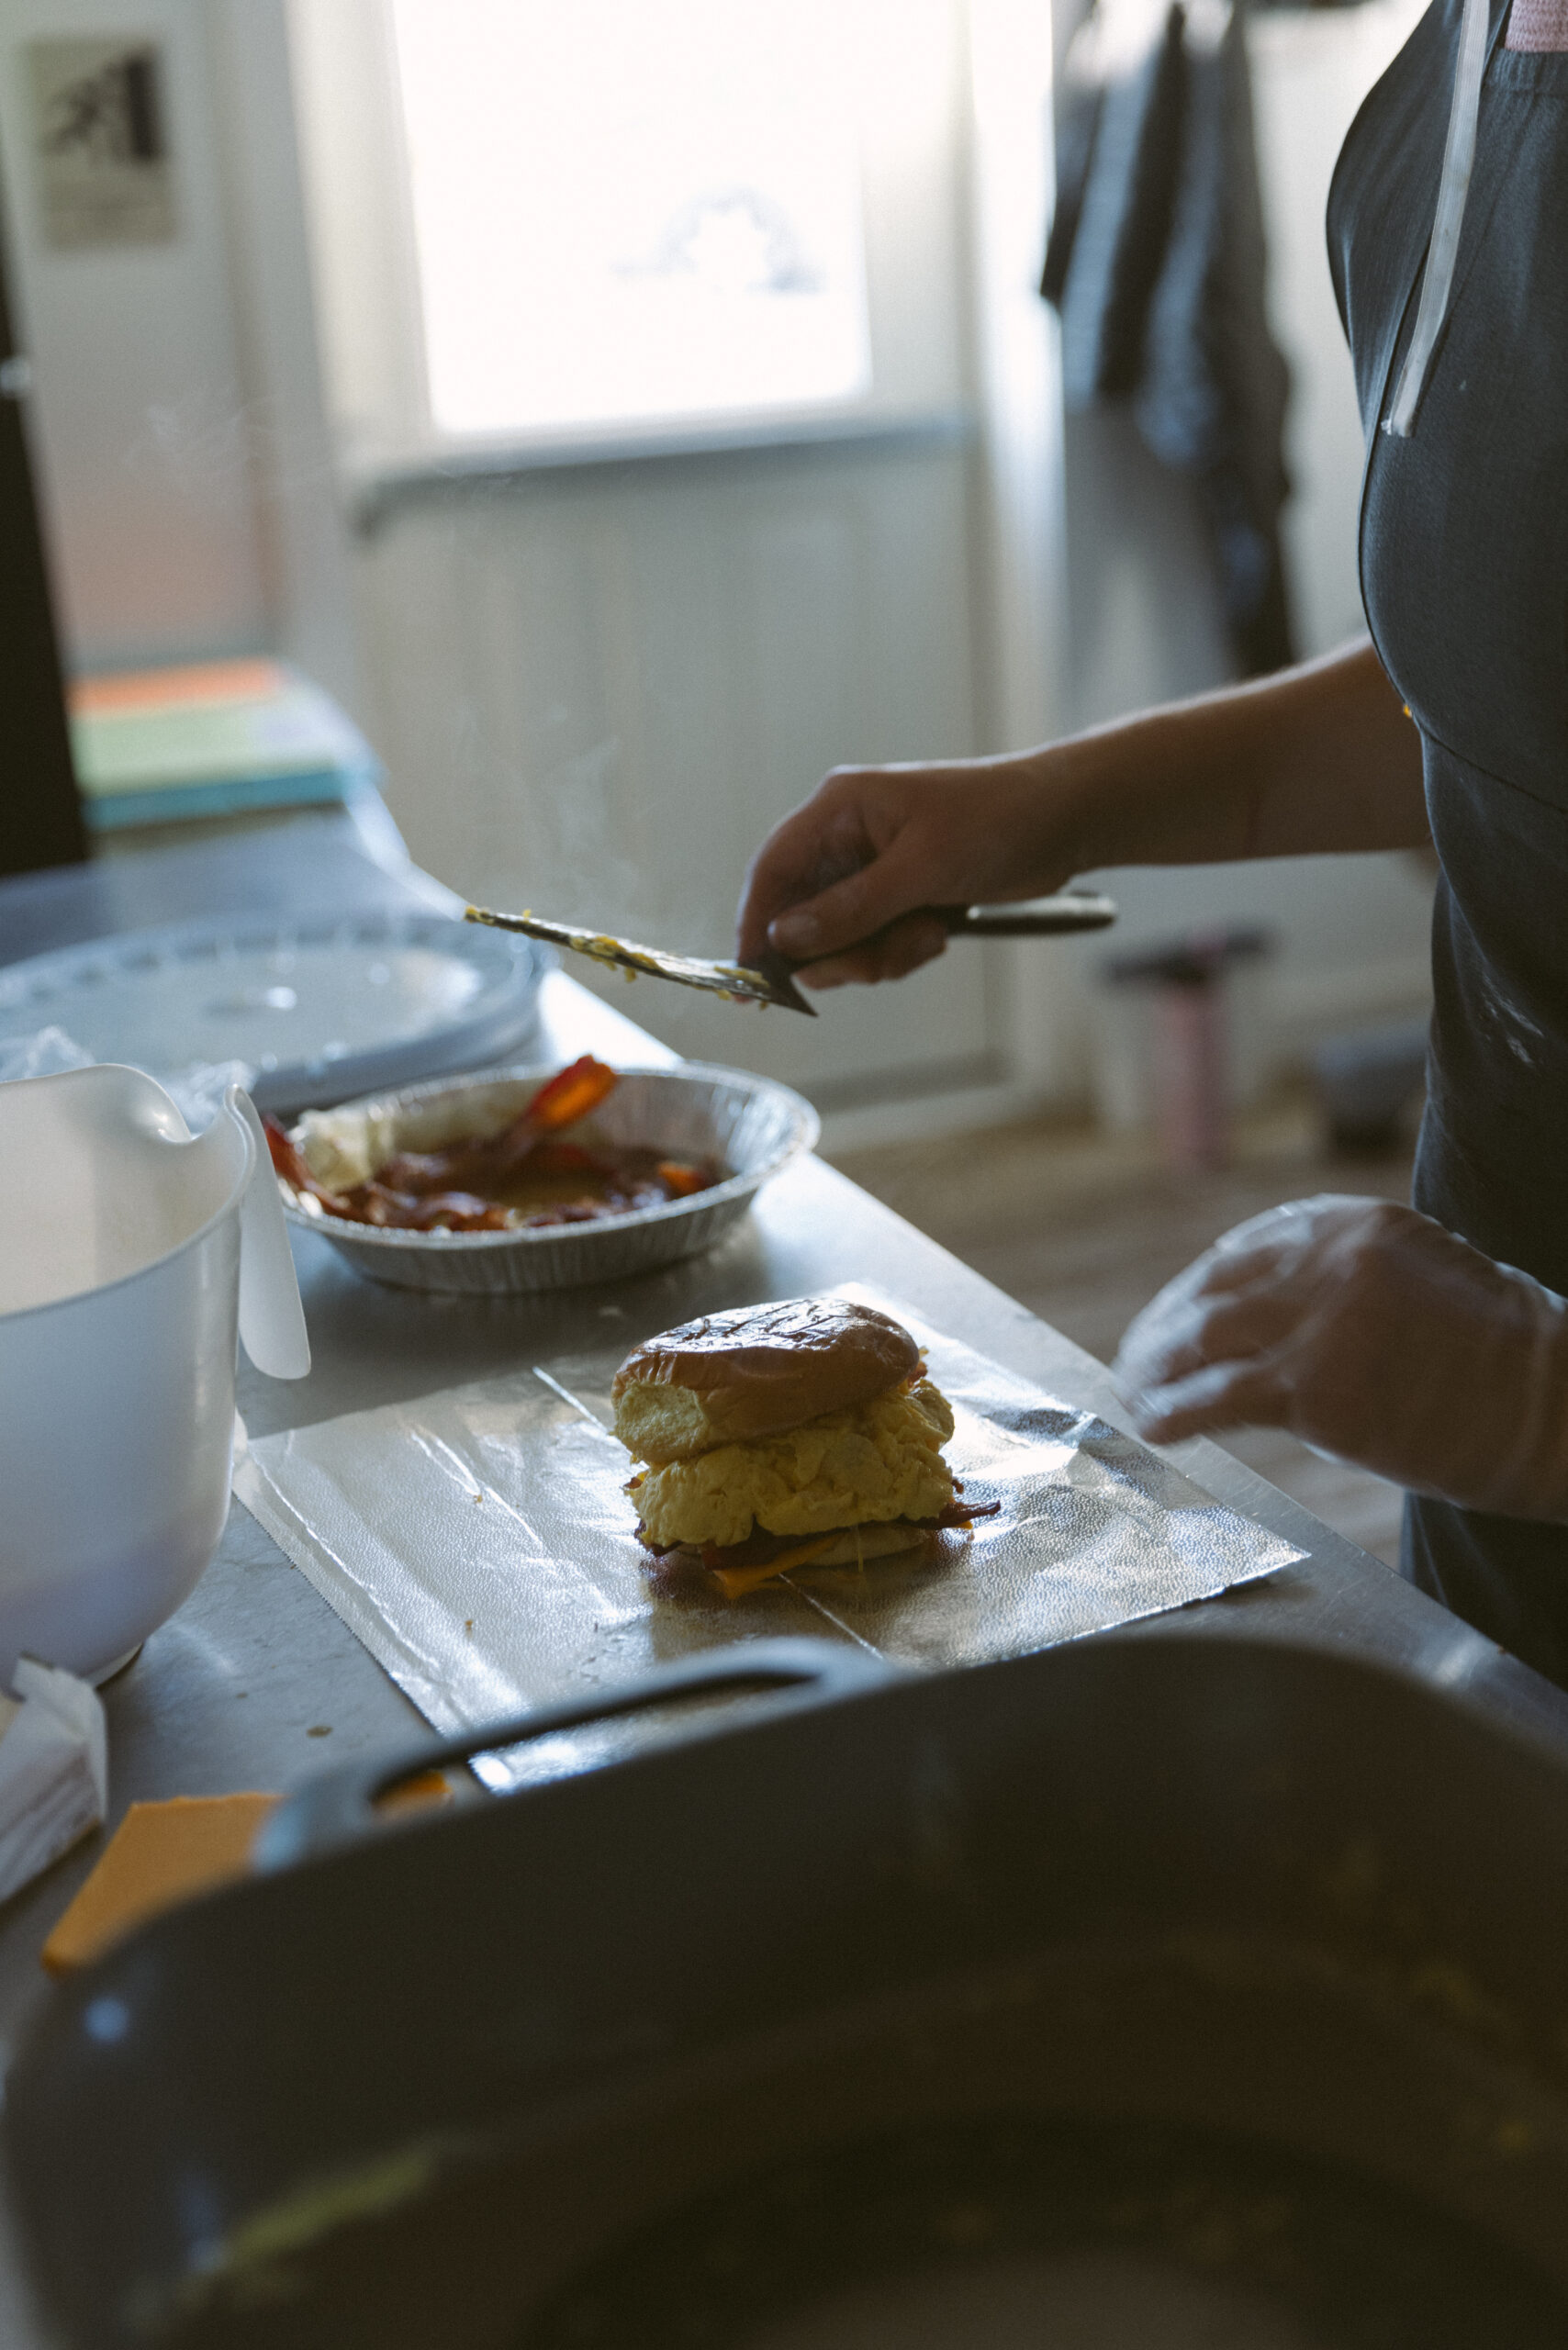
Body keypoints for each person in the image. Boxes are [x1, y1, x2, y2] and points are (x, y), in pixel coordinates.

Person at [735, 0, 1568, 1685]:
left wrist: (1538, 1401)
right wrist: (1044, 810)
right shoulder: (1466, 76)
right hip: (1489, 1388)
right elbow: (1499, 699)